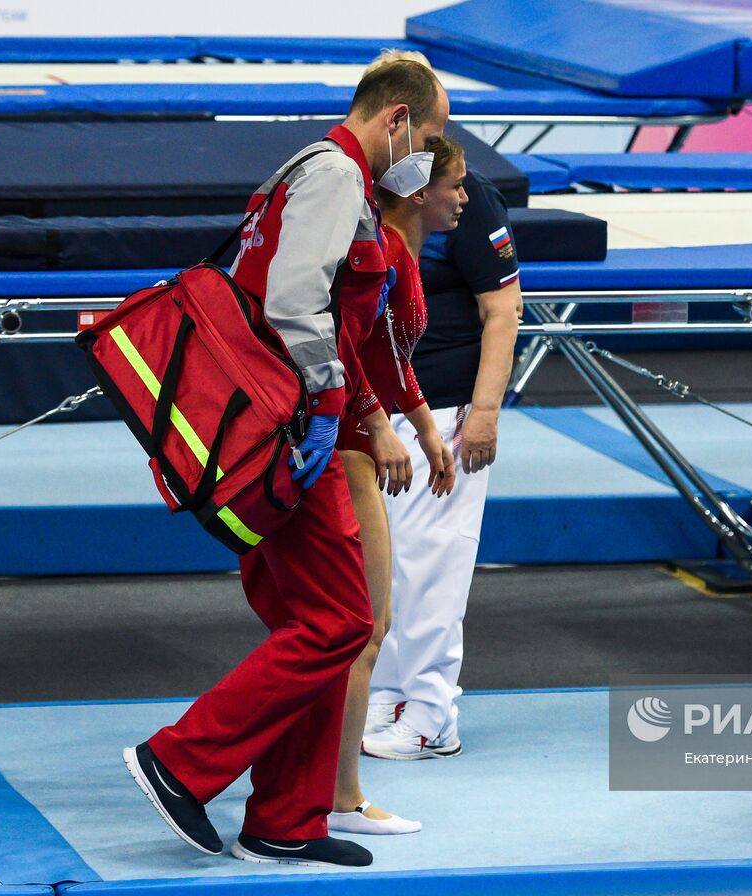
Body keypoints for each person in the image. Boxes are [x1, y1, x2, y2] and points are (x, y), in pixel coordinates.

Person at [122, 56, 449, 868]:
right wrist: (334, 410)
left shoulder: (325, 181)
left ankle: (286, 819)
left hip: (301, 427)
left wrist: (368, 413)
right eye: (432, 138)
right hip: (293, 434)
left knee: (318, 627)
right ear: (397, 119)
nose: (433, 158)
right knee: (341, 621)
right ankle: (179, 760)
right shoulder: (335, 175)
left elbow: (337, 323)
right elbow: (294, 299)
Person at [360, 67, 524, 761]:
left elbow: (504, 308)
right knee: (386, 564)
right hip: (379, 407)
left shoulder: (465, 196)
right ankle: (386, 694)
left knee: (433, 563)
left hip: (447, 406)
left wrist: (483, 413)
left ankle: (432, 712)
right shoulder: (373, 189)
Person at [327, 134, 468, 832]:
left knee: (356, 626)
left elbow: (392, 356)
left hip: (364, 434)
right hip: (345, 445)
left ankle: (323, 785)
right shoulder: (379, 253)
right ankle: (340, 796)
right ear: (419, 194)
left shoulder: (404, 256)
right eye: (457, 185)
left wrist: (426, 428)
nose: (466, 198)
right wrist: (381, 426)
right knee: (362, 627)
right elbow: (347, 354)